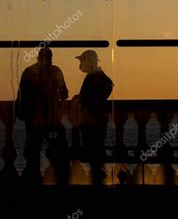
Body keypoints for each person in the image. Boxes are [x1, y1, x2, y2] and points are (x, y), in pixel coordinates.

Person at [16, 47, 70, 185]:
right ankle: (60, 179)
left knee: (33, 152)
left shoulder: (28, 72)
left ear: (38, 57)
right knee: (58, 151)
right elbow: (64, 93)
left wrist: (20, 113)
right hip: (52, 119)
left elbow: (21, 96)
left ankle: (34, 180)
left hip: (35, 120)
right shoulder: (55, 71)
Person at [73, 50, 113, 185]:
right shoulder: (94, 75)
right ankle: (98, 177)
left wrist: (91, 104)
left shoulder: (95, 75)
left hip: (93, 120)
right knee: (95, 149)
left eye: (82, 61)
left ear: (88, 61)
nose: (80, 64)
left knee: (93, 149)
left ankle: (98, 178)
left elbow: (109, 85)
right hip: (95, 119)